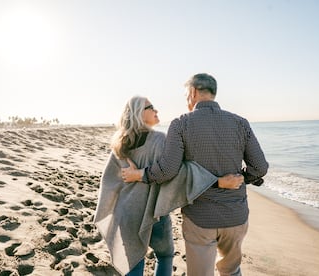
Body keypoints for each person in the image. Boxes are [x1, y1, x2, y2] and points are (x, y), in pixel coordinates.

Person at [121, 73, 269, 276]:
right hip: (236, 215)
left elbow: (167, 170)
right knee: (232, 271)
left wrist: (141, 174)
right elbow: (260, 167)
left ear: (192, 92)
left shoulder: (181, 123)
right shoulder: (240, 123)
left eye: (185, 95)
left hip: (200, 218)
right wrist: (242, 178)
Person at [94, 96, 243, 276]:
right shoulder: (159, 140)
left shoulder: (120, 143)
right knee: (164, 255)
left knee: (133, 261)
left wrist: (130, 182)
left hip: (127, 213)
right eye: (151, 107)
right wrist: (218, 181)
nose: (156, 110)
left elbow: (110, 179)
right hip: (154, 212)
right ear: (138, 113)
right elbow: (180, 173)